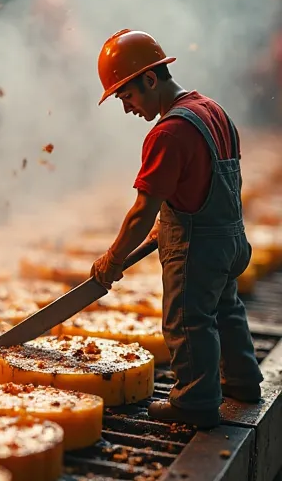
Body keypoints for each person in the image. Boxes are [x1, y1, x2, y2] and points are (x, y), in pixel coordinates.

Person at [91, 28, 263, 429]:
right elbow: (201, 184)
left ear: (150, 79)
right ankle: (242, 382)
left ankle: (196, 401)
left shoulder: (168, 132)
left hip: (198, 249)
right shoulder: (212, 110)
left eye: (127, 96)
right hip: (231, 239)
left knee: (187, 319)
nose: (127, 108)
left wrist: (112, 260)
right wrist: (166, 227)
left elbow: (141, 211)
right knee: (225, 309)